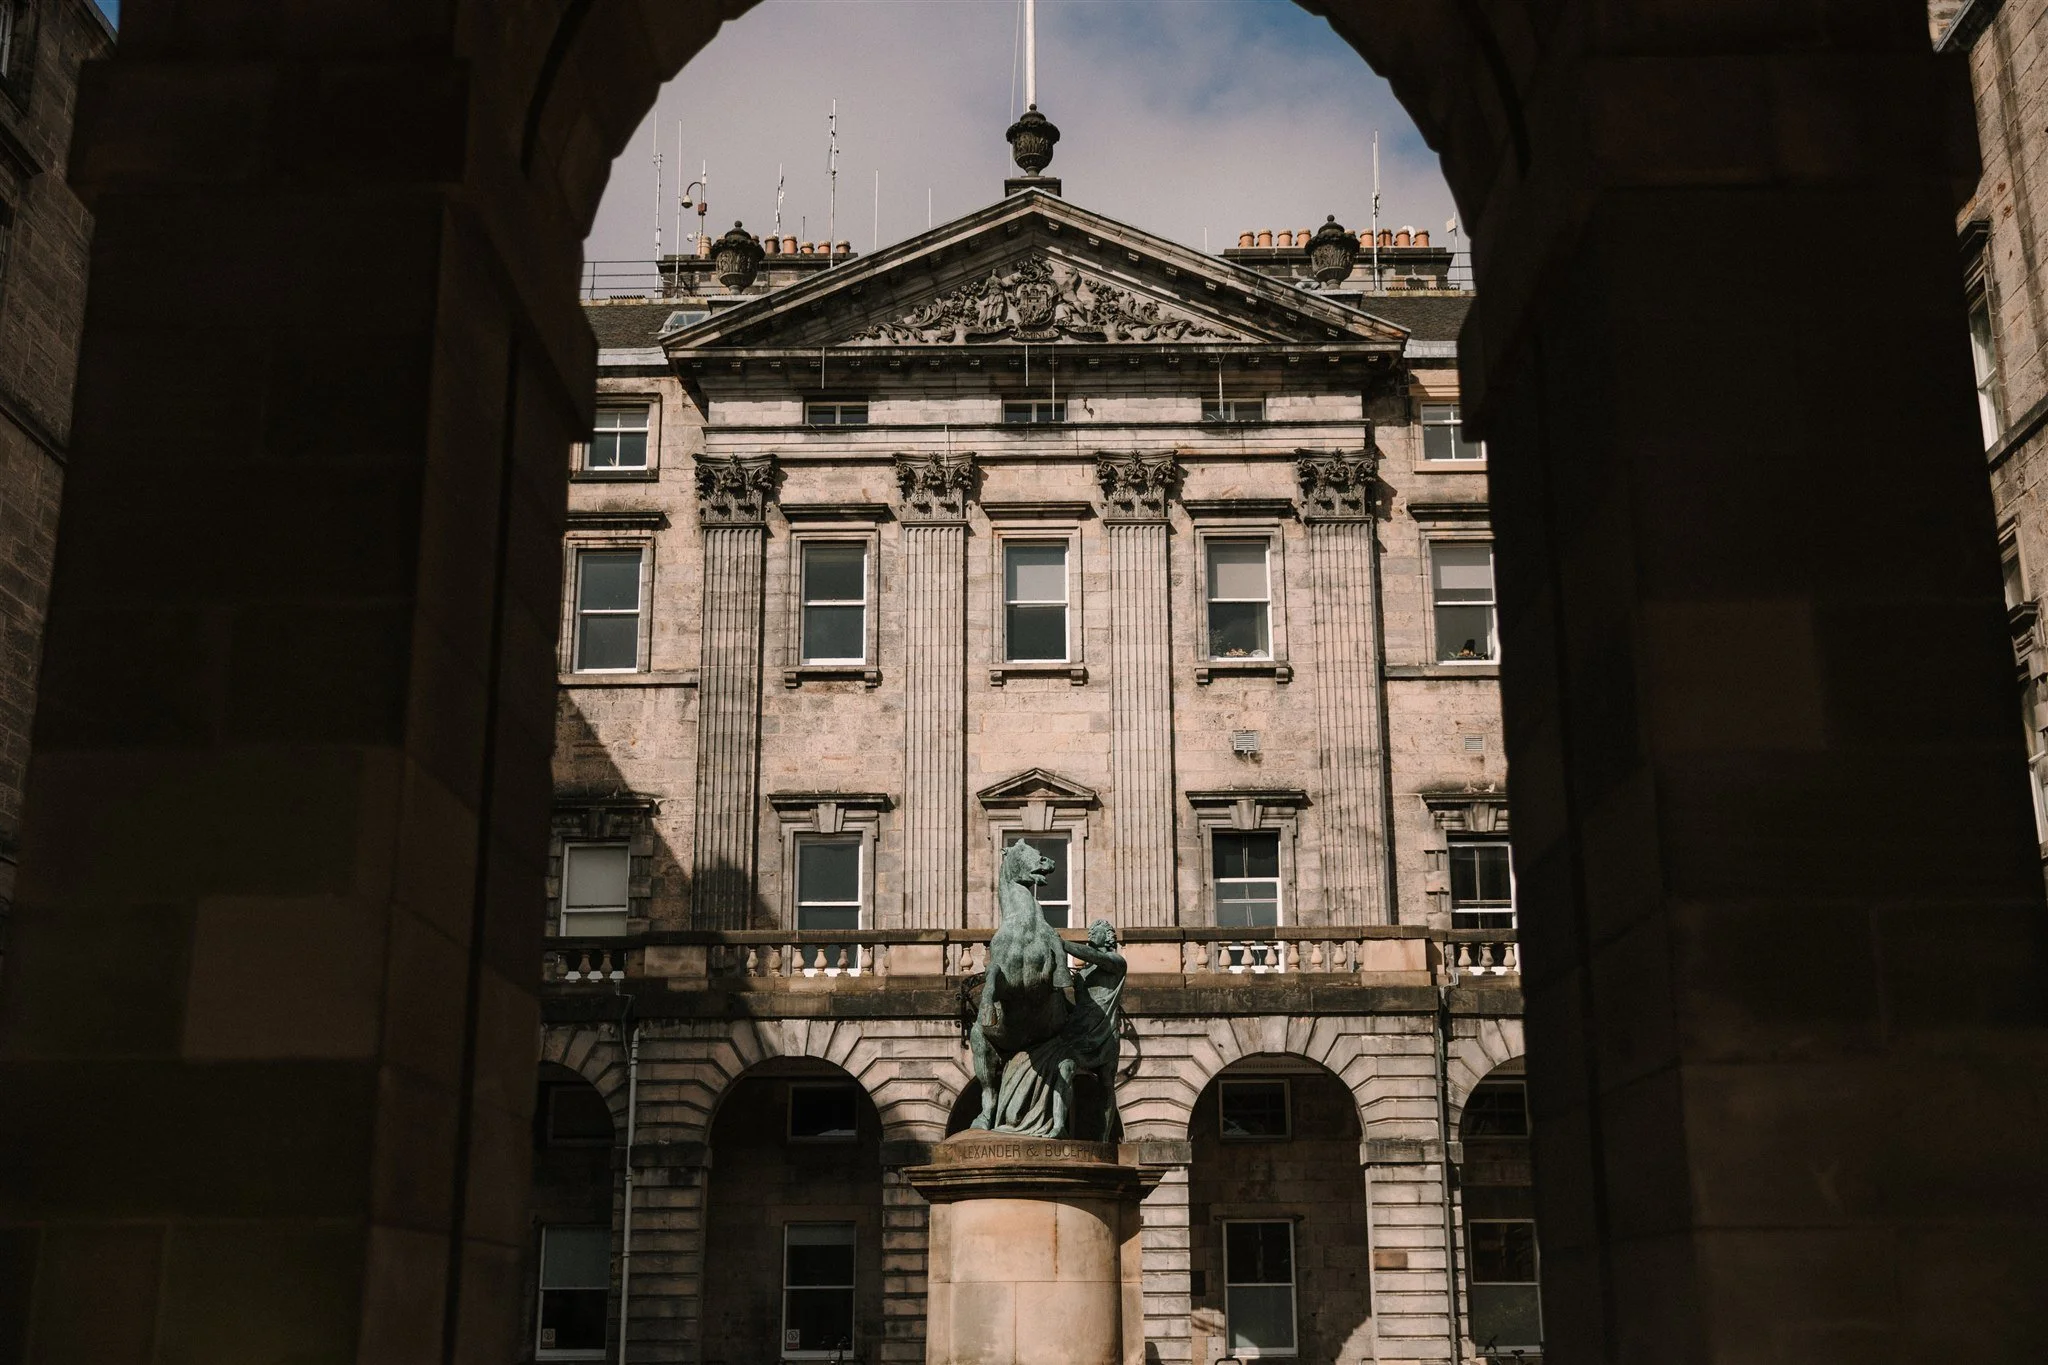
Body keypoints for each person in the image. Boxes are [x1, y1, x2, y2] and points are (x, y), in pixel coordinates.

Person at [1058, 919, 1128, 1142]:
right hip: (1081, 1029)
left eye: (1095, 931)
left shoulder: (1116, 962)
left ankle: (1103, 1138)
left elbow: (1097, 957)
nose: (1090, 933)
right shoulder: (1085, 971)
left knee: (1106, 1084)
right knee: (1064, 1068)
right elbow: (1080, 1006)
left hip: (1104, 1030)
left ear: (1107, 935)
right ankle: (1058, 1125)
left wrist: (1062, 944)